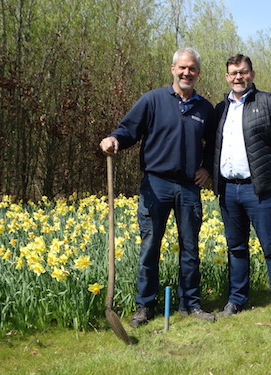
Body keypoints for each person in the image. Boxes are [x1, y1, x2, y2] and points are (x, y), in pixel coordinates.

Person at [99, 47, 216, 328]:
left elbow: (214, 144)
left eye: (192, 69)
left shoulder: (205, 109)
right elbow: (129, 129)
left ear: (198, 73)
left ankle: (190, 304)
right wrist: (114, 139)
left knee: (190, 248)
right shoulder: (152, 100)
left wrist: (208, 168)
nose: (186, 72)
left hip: (189, 187)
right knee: (150, 246)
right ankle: (144, 306)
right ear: (172, 69)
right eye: (182, 67)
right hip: (156, 184)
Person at [212, 54, 271, 328]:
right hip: (228, 190)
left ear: (252, 74)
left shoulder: (269, 103)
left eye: (243, 72)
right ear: (227, 77)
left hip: (259, 191)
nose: (238, 77)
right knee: (236, 248)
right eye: (233, 73)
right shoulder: (220, 109)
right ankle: (236, 300)